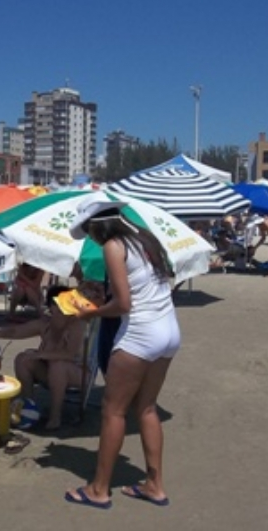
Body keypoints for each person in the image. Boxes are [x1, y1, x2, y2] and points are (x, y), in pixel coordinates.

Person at [63, 192, 178, 509]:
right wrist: (107, 299)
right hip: (168, 329)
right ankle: (154, 485)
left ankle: (99, 489)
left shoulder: (114, 245)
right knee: (147, 408)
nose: (90, 238)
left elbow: (124, 304)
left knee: (113, 411)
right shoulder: (144, 238)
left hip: (140, 333)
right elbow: (144, 287)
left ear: (97, 225)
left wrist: (91, 313)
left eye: (89, 231)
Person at [0, 283, 101, 431]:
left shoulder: (77, 324)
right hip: (51, 371)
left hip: (79, 373)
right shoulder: (46, 324)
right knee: (23, 359)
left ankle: (55, 416)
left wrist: (41, 354)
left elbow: (70, 354)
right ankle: (28, 406)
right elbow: (18, 331)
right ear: (51, 307)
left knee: (58, 365)